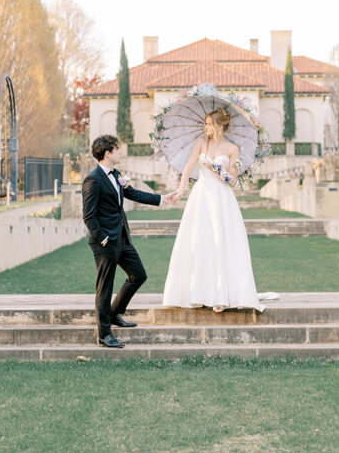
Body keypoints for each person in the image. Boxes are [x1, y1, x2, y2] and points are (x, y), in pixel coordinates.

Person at [82, 134, 179, 348]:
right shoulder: (93, 180)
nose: (120, 152)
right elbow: (88, 215)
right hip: (105, 243)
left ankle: (114, 312)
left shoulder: (116, 174)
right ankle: (104, 335)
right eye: (117, 149)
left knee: (139, 275)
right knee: (104, 288)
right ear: (108, 153)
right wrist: (103, 238)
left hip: (123, 239)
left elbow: (133, 193)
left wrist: (163, 199)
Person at [162, 108, 263, 312]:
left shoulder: (233, 148)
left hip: (221, 198)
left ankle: (221, 296)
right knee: (199, 242)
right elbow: (189, 167)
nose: (206, 127)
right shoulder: (201, 143)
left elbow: (232, 180)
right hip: (201, 197)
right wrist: (181, 188)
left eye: (209, 123)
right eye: (206, 123)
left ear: (219, 125)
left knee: (220, 242)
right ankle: (197, 293)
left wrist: (214, 168)